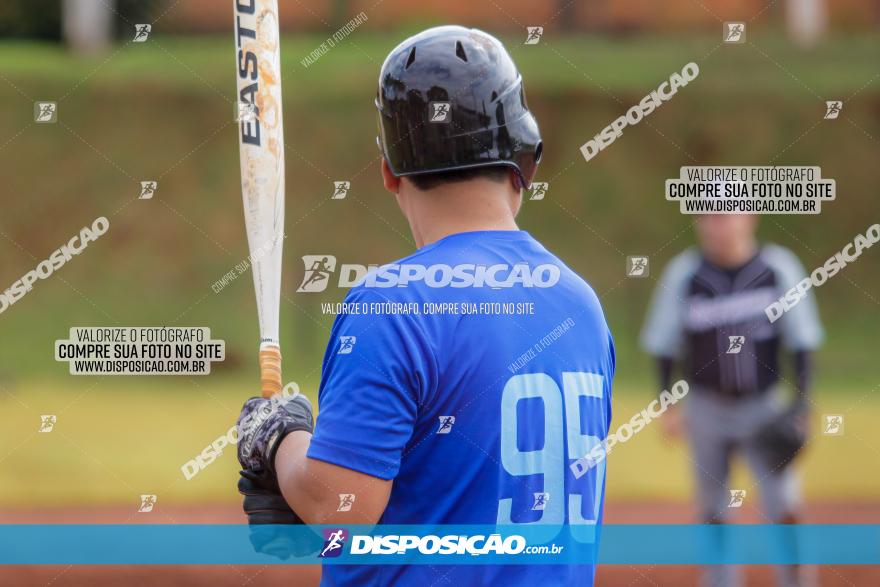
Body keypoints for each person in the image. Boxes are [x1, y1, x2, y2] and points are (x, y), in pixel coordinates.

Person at [235, 25, 615, 586]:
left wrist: (279, 440)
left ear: (389, 171)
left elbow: (345, 509)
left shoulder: (391, 305)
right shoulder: (581, 306)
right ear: (526, 160)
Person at [641, 214, 823, 587]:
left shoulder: (777, 268)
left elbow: (802, 341)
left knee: (784, 504)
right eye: (706, 217)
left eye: (723, 216)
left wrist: (802, 405)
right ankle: (720, 581)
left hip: (765, 405)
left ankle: (798, 581)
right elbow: (663, 344)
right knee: (711, 505)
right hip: (706, 406)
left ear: (749, 219)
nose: (713, 225)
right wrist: (667, 405)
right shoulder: (685, 274)